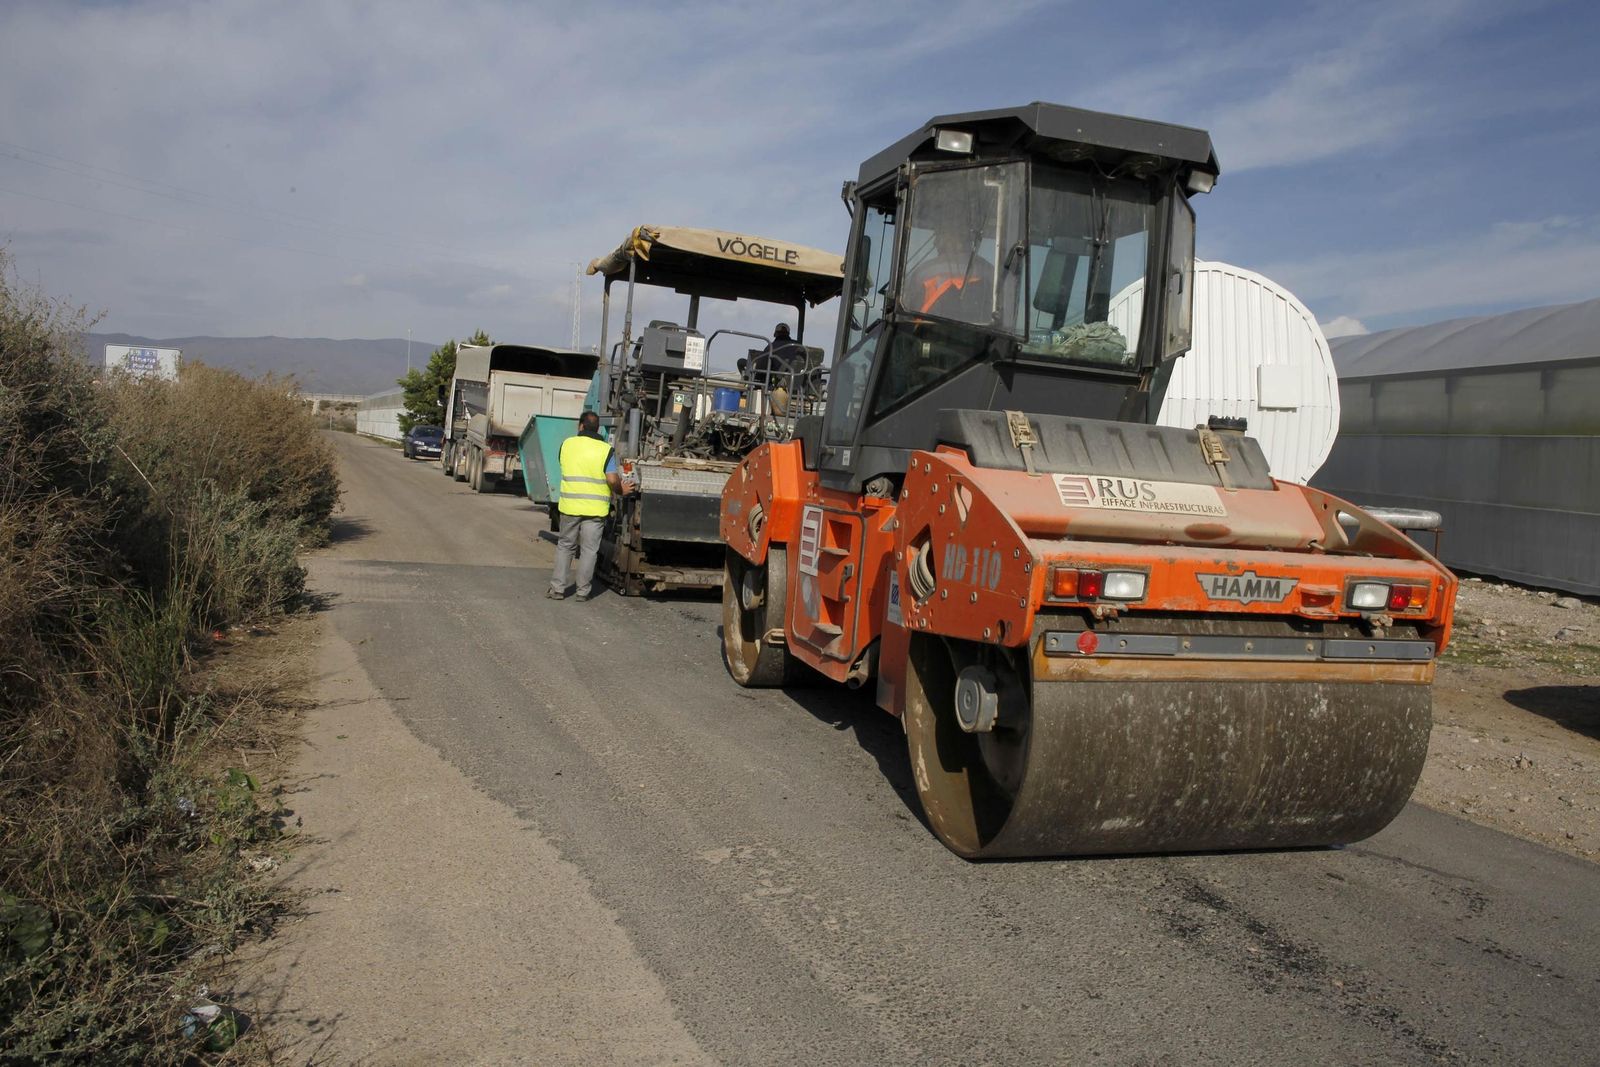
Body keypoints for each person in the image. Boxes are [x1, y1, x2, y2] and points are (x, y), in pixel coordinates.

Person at [547, 411, 624, 603]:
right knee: (589, 550)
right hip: (595, 510)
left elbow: (564, 466)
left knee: (565, 546)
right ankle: (582, 592)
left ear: (581, 426)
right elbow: (612, 479)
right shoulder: (606, 450)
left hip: (570, 506)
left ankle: (557, 589)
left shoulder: (567, 445)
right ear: (597, 428)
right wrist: (621, 490)